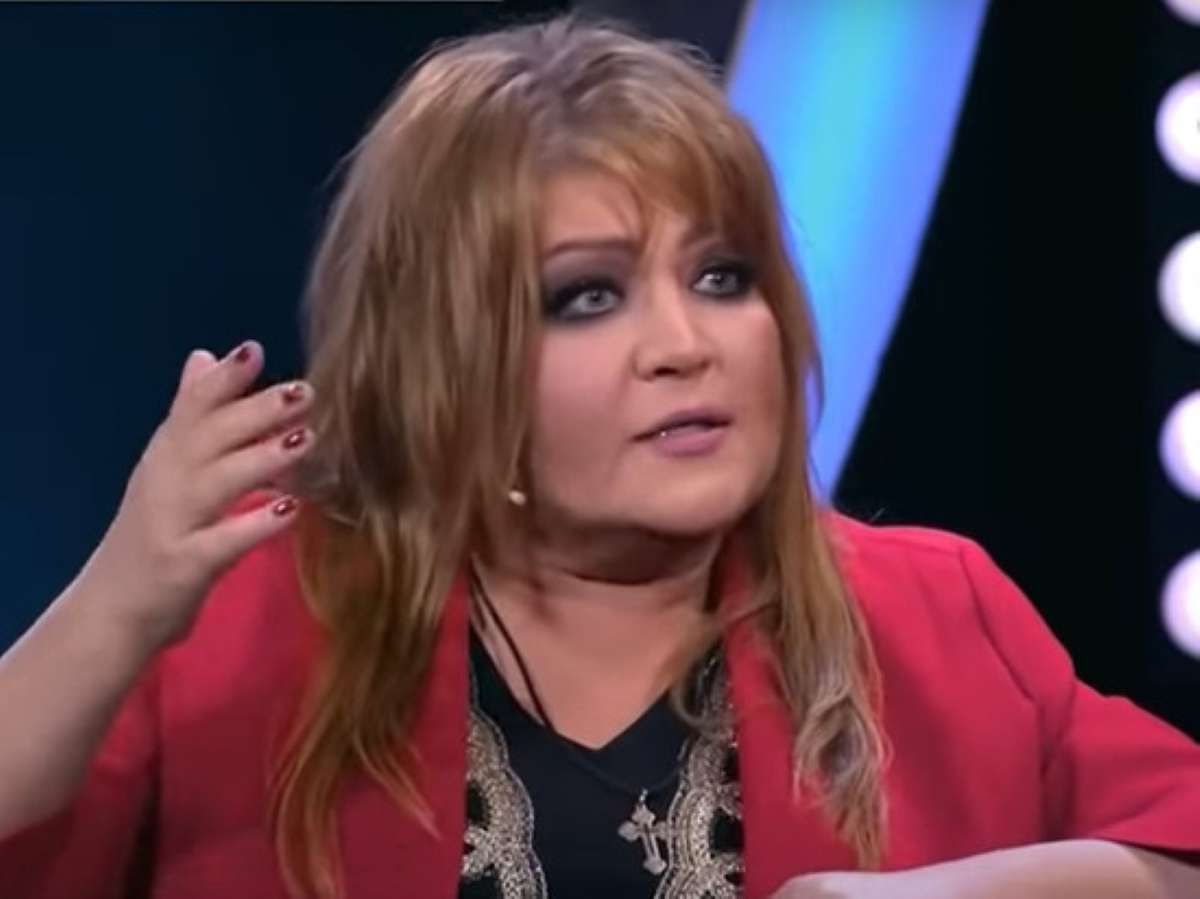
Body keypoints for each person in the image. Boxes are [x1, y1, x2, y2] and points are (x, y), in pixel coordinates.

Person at [0, 13, 1197, 899]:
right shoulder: (249, 620)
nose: (685, 345)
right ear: (447, 357)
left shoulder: (935, 612)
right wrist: (116, 602)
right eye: (587, 297)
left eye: (721, 276)